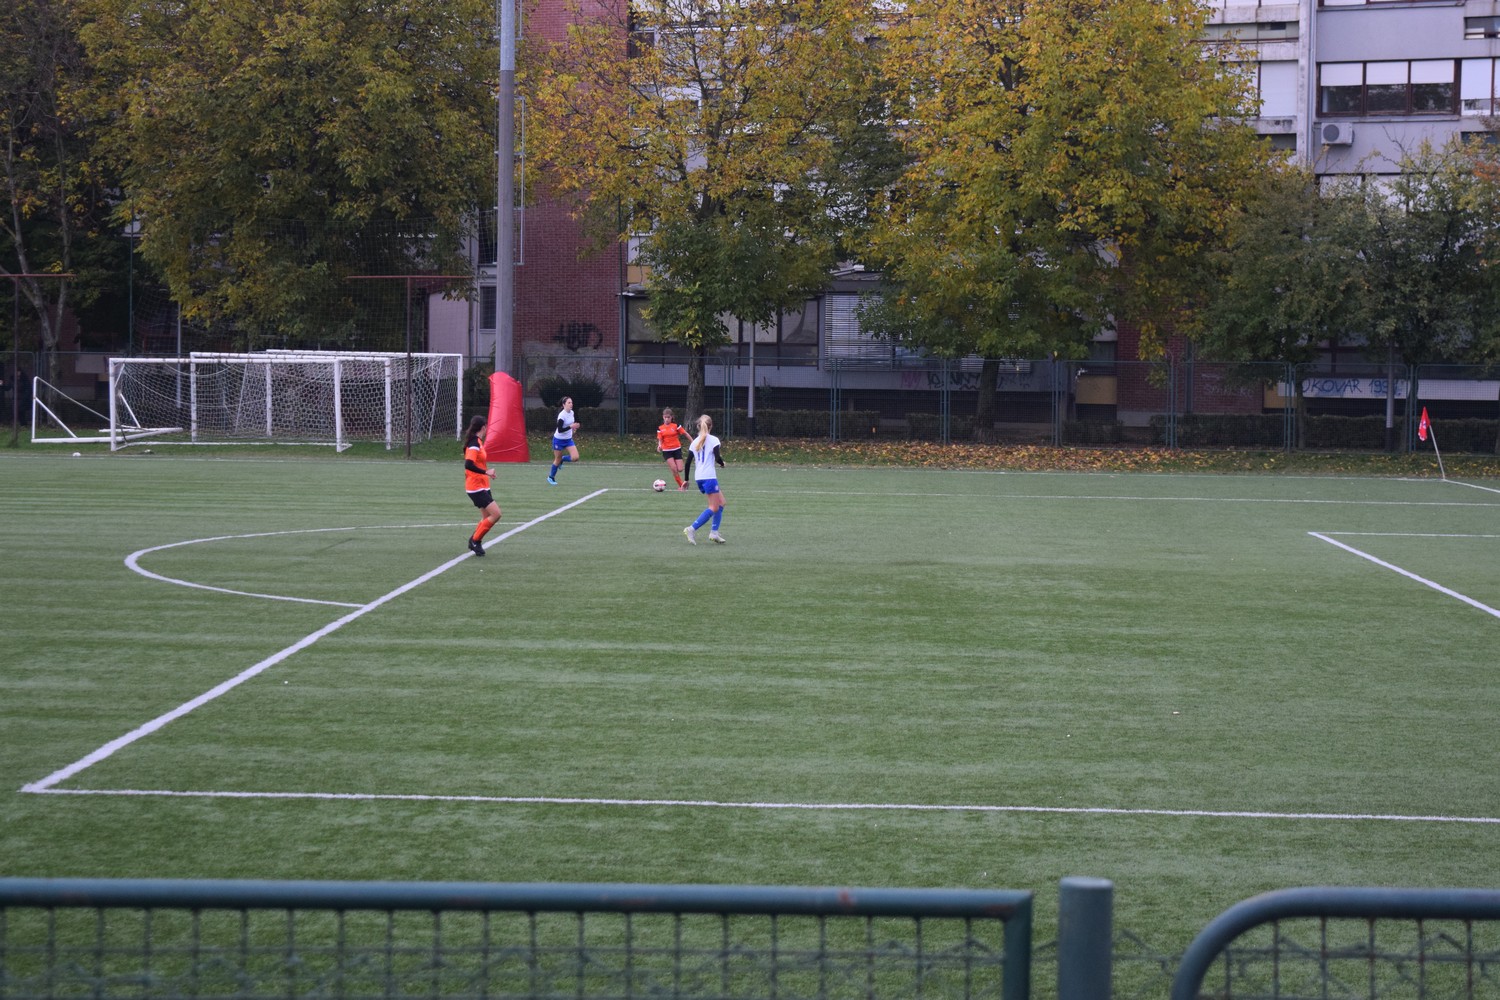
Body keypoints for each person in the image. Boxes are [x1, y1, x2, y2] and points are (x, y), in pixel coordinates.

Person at [682, 414, 727, 545]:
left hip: (699, 478)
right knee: (713, 507)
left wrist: (686, 480)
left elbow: (687, 463)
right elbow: (717, 457)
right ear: (711, 426)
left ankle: (714, 533)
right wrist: (722, 464)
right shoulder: (714, 440)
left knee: (721, 503)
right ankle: (691, 529)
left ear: (698, 426)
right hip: (709, 477)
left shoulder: (694, 442)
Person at [462, 416, 501, 557]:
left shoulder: (478, 442)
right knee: (496, 514)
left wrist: (487, 473)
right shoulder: (474, 443)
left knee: (486, 517)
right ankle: (475, 540)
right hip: (475, 487)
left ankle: (475, 540)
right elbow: (468, 464)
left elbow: (478, 463)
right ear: (483, 427)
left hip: (483, 485)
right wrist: (486, 472)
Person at [654, 407, 694, 490]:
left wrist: (693, 442)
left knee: (680, 469)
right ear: (663, 417)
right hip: (667, 451)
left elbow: (685, 434)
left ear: (671, 417)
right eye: (665, 417)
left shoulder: (676, 426)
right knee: (674, 469)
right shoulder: (660, 428)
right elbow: (660, 439)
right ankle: (681, 485)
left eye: (668, 417)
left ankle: (683, 481)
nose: (667, 419)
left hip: (676, 449)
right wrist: (659, 445)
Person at [547, 395, 581, 485]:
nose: (571, 404)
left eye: (571, 402)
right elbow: (560, 430)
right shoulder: (562, 416)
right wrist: (571, 426)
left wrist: (574, 428)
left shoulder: (572, 412)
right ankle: (551, 477)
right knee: (557, 459)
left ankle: (563, 459)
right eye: (569, 403)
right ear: (564, 404)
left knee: (575, 458)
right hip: (558, 440)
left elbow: (571, 424)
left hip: (568, 440)